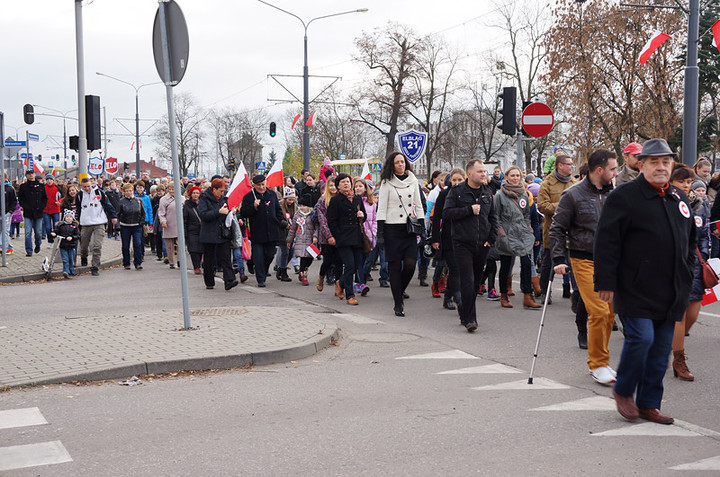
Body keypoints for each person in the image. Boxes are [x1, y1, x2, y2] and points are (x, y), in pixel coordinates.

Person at [595, 138, 695, 425]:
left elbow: (690, 243)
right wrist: (606, 281)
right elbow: (606, 242)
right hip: (635, 286)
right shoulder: (624, 197)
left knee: (661, 350)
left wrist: (687, 275)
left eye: (666, 162)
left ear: (672, 164)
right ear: (642, 165)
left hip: (671, 288)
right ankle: (624, 391)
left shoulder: (679, 199)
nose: (661, 167)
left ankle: (649, 403)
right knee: (642, 339)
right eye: (654, 162)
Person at [550, 149, 618, 385]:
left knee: (610, 312)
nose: (615, 173)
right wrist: (558, 259)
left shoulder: (615, 194)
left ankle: (603, 360)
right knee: (598, 311)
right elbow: (557, 228)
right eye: (612, 169)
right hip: (583, 258)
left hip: (610, 260)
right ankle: (597, 364)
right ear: (599, 170)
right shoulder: (573, 195)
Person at [443, 160, 497, 331]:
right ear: (469, 174)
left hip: (482, 244)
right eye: (479, 171)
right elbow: (447, 213)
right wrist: (468, 210)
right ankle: (471, 319)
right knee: (467, 280)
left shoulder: (487, 192)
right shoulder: (457, 192)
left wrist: (491, 238)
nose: (483, 174)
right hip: (462, 243)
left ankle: (465, 313)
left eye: (484, 171)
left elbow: (493, 217)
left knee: (475, 283)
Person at [669, 167, 707, 382]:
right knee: (679, 315)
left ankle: (673, 342)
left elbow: (703, 236)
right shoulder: (667, 203)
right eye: (681, 181)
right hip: (673, 265)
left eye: (689, 181)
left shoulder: (700, 205)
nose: (686, 185)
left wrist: (703, 253)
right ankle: (679, 359)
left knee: (693, 313)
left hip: (695, 264)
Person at [376, 152, 424, 317]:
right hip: (391, 228)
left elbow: (418, 204)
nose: (400, 165)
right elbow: (381, 208)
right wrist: (380, 233)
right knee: (395, 266)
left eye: (402, 162)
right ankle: (398, 302)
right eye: (397, 162)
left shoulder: (413, 181)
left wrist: (422, 225)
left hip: (408, 229)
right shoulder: (386, 183)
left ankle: (399, 289)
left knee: (411, 264)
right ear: (392, 165)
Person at [494, 166, 541, 309]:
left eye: (517, 176)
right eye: (512, 175)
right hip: (507, 234)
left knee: (527, 264)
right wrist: (501, 232)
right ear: (506, 177)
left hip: (522, 234)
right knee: (506, 266)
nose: (515, 178)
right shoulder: (499, 195)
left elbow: (526, 214)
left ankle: (528, 295)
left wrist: (528, 227)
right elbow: (495, 216)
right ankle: (504, 295)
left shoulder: (524, 194)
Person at [537, 151, 578, 301]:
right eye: (569, 164)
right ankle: (545, 293)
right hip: (553, 230)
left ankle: (577, 295)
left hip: (572, 230)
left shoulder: (574, 183)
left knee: (574, 264)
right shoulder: (547, 183)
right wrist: (562, 206)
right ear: (560, 166)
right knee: (549, 263)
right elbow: (542, 206)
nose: (572, 167)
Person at [326, 173, 366, 305]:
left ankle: (340, 282)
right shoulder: (336, 200)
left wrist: (362, 215)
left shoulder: (358, 198)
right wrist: (337, 235)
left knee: (354, 267)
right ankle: (350, 295)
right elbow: (331, 220)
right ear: (338, 185)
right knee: (349, 265)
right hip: (343, 238)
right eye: (342, 182)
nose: (346, 184)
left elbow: (364, 216)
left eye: (348, 181)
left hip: (356, 236)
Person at [240, 175, 283, 287]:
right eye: (259, 185)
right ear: (254, 185)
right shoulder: (249, 197)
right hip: (257, 232)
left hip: (272, 231)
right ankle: (261, 278)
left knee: (270, 255)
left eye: (263, 184)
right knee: (258, 257)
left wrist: (277, 221)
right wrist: (253, 206)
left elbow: (278, 210)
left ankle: (255, 265)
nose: (261, 187)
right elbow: (244, 212)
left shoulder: (272, 195)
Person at [198, 178, 237, 290]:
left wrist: (231, 212)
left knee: (225, 257)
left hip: (222, 232)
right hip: (209, 233)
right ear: (213, 189)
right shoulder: (204, 198)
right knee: (209, 259)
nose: (222, 193)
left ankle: (229, 280)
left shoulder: (224, 199)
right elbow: (203, 215)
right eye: (220, 191)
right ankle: (209, 282)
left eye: (223, 191)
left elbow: (227, 212)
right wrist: (218, 212)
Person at [76, 177, 118, 276]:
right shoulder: (79, 195)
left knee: (97, 246)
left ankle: (95, 266)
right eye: (84, 187)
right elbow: (78, 210)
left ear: (92, 184)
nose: (87, 188)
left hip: (99, 222)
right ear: (81, 186)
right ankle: (84, 256)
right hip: (85, 223)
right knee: (84, 246)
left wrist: (113, 216)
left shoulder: (99, 193)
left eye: (88, 186)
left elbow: (107, 204)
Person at [314, 175, 340, 291]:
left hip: (340, 235)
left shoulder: (341, 199)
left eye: (335, 185)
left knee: (339, 261)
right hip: (326, 236)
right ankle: (321, 276)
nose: (333, 187)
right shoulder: (322, 200)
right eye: (331, 185)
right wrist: (329, 236)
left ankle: (338, 286)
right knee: (328, 260)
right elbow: (322, 221)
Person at [286, 194, 318, 286]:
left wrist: (315, 236)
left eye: (304, 206)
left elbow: (317, 227)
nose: (302, 208)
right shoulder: (297, 216)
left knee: (310, 258)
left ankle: (303, 269)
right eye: (300, 206)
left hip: (310, 240)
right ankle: (304, 275)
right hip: (300, 239)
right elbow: (293, 229)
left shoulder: (313, 215)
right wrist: (289, 240)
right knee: (303, 258)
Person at [17, 169, 47, 257]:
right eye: (29, 174)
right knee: (27, 233)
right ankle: (29, 250)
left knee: (38, 233)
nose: (31, 175)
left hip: (38, 212)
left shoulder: (41, 186)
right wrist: (25, 206)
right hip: (28, 213)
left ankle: (38, 244)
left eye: (32, 174)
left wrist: (42, 206)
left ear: (34, 174)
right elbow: (20, 198)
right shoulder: (23, 186)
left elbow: (45, 198)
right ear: (26, 176)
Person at [355, 178, 377, 294]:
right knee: (359, 260)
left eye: (360, 186)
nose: (358, 188)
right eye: (356, 186)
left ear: (365, 188)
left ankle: (361, 281)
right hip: (357, 234)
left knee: (368, 260)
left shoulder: (371, 203)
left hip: (369, 235)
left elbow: (374, 219)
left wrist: (373, 232)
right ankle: (360, 283)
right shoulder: (353, 201)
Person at [116, 183, 146, 270]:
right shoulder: (121, 202)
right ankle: (126, 263)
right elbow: (117, 214)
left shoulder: (138, 201)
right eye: (127, 191)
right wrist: (117, 225)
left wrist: (141, 222)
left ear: (133, 191)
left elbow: (143, 213)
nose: (129, 192)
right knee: (125, 245)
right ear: (124, 192)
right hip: (125, 226)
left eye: (130, 191)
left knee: (137, 244)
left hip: (137, 226)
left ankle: (138, 263)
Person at [158, 184, 183, 269]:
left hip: (180, 224)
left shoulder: (182, 198)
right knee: (169, 245)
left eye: (174, 189)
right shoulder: (163, 199)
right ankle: (171, 261)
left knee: (181, 244)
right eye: (170, 189)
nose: (172, 191)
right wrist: (163, 221)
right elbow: (161, 212)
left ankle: (180, 260)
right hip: (168, 224)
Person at [51, 209, 81, 278]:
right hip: (63, 245)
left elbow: (78, 235)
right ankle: (66, 271)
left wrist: (72, 237)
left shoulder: (74, 226)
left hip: (72, 245)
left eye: (70, 217)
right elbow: (56, 231)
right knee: (65, 259)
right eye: (67, 217)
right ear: (64, 217)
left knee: (71, 259)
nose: (68, 218)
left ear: (72, 218)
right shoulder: (61, 225)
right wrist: (54, 233)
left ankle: (71, 272)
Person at [276, 187, 297, 282]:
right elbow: (277, 218)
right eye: (289, 199)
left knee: (291, 252)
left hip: (291, 233)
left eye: (292, 200)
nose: (291, 202)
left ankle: (281, 268)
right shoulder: (280, 206)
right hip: (282, 233)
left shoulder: (294, 207)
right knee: (285, 252)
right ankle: (283, 272)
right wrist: (285, 224)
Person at [183, 186, 204, 274]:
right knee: (193, 249)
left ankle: (200, 263)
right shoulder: (187, 206)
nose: (195, 195)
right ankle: (196, 267)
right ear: (190, 194)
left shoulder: (203, 204)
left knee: (201, 249)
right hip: (191, 230)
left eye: (197, 193)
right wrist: (184, 232)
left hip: (202, 230)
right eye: (194, 193)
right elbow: (184, 219)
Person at [42, 174, 63, 247]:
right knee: (48, 227)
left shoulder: (57, 188)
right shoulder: (43, 188)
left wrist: (59, 202)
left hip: (56, 210)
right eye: (47, 179)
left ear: (53, 180)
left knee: (56, 226)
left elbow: (63, 197)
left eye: (50, 179)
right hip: (46, 210)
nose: (49, 181)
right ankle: (50, 241)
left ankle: (56, 240)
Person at [2, 172, 17, 255]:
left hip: (7, 213)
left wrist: (11, 211)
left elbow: (14, 201)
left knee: (5, 230)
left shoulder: (9, 189)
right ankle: (9, 247)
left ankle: (2, 247)